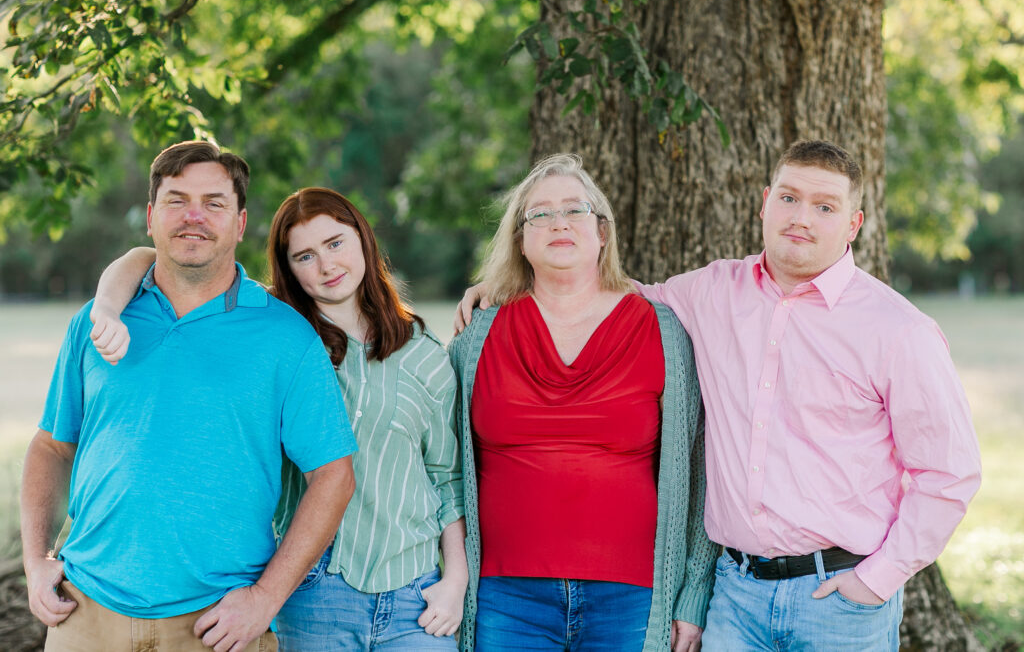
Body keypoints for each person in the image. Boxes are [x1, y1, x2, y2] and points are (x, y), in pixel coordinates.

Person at [456, 140, 983, 651]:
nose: (801, 217)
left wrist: (877, 579)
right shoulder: (710, 292)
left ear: (853, 224)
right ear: (764, 203)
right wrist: (495, 290)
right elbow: (603, 293)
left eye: (825, 206)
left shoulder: (897, 330)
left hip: (839, 598)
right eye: (788, 198)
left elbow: (950, 473)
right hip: (737, 600)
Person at [89, 187, 468, 650]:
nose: (327, 266)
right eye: (304, 255)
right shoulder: (273, 338)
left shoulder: (424, 356)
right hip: (312, 592)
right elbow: (145, 257)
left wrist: (456, 582)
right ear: (287, 268)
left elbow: (447, 480)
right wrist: (106, 309)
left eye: (335, 243)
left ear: (363, 240)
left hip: (415, 594)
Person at [21, 141, 358, 652]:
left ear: (240, 223)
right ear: (152, 217)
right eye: (177, 201)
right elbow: (51, 446)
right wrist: (34, 560)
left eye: (214, 203)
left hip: (217, 624)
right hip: (85, 611)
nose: (194, 217)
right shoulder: (99, 320)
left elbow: (333, 476)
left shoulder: (284, 337)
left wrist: (265, 600)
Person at [448, 154, 717, 652]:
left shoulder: (664, 330)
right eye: (540, 214)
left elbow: (701, 472)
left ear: (602, 232)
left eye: (575, 209)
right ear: (521, 240)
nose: (559, 223)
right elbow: (445, 468)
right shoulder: (478, 335)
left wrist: (693, 594)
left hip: (633, 597)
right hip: (505, 598)